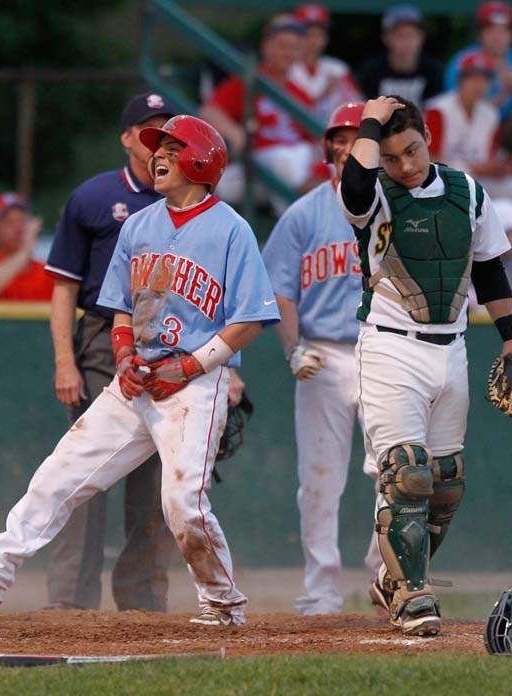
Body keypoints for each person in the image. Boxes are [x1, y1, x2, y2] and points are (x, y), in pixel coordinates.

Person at [0, 115, 280, 627]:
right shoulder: (139, 225)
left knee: (182, 503)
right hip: (136, 380)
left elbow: (250, 319)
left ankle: (222, 602)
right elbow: (120, 307)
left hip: (195, 384)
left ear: (202, 161)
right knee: (60, 473)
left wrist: (191, 365)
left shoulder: (231, 228)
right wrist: (124, 357)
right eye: (158, 147)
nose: (158, 155)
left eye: (173, 148)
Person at [338, 95, 512, 636]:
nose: (404, 165)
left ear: (428, 138)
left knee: (445, 483)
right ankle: (412, 597)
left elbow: (488, 269)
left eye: (412, 150)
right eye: (391, 156)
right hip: (391, 345)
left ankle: (392, 578)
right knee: (407, 473)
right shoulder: (375, 192)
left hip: (452, 346)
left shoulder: (468, 191)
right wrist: (369, 122)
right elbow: (354, 189)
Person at [43, 93, 177, 611]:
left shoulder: (189, 199)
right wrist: (65, 361)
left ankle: (142, 601)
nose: (157, 140)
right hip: (103, 335)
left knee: (156, 474)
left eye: (167, 130)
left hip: (168, 339)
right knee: (87, 466)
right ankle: (70, 602)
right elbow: (64, 288)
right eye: (147, 129)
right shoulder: (96, 197)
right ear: (126, 138)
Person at [262, 102, 370, 616]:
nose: (346, 148)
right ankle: (321, 591)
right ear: (328, 149)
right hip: (323, 353)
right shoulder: (304, 213)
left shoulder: (395, 208)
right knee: (319, 481)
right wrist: (294, 348)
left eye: (356, 139)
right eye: (339, 140)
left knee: (397, 473)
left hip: (384, 350)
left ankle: (388, 581)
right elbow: (280, 290)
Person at [200, 13, 316, 212]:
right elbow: (209, 111)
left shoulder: (299, 92)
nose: (288, 53)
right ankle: (301, 225)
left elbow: (314, 138)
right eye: (282, 46)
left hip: (294, 163)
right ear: (266, 47)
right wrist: (235, 132)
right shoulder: (249, 82)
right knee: (280, 163)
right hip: (261, 160)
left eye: (294, 48)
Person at [425, 50, 512, 221]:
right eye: (473, 78)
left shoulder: (490, 114)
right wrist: (478, 168)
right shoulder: (438, 109)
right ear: (460, 80)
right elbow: (429, 161)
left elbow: (490, 158)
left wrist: (501, 168)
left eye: (484, 79)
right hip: (445, 184)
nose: (479, 85)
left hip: (481, 183)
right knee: (465, 181)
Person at [444, 1, 512, 180]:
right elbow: (453, 110)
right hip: (470, 135)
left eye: (504, 30)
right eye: (491, 30)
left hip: (508, 131)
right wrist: (495, 102)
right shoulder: (464, 61)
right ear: (480, 33)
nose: (498, 37)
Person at [356, 5, 443, 107]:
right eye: (400, 35)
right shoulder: (370, 71)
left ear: (421, 37)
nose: (406, 41)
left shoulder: (433, 71)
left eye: (411, 35)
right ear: (386, 38)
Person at [288, 4, 362, 122]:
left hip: (332, 130)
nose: (313, 41)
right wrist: (322, 95)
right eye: (307, 34)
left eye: (319, 34)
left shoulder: (338, 68)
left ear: (326, 38)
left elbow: (357, 107)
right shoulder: (283, 67)